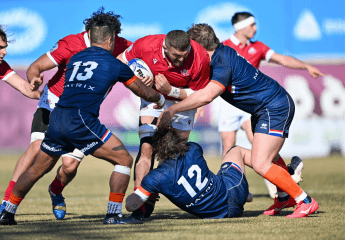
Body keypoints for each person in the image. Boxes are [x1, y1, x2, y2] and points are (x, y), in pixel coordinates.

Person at [0, 18, 165, 226]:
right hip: (80, 119)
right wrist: (159, 98)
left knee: (40, 168)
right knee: (124, 160)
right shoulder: (113, 62)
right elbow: (141, 90)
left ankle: (8, 211)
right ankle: (113, 215)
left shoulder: (76, 58)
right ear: (110, 40)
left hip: (58, 118)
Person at [158, 23, 319, 218]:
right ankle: (285, 196)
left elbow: (207, 95)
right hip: (263, 108)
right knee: (266, 157)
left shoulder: (221, 61)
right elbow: (201, 91)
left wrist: (172, 109)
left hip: (273, 106)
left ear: (199, 47)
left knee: (261, 163)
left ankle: (305, 201)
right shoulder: (219, 56)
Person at [218, 12, 325, 198]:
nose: (255, 28)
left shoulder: (257, 47)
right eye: (252, 25)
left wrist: (305, 66)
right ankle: (234, 188)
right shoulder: (224, 47)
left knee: (260, 146)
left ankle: (277, 187)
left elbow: (282, 59)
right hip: (230, 101)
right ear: (241, 27)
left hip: (250, 103)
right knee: (228, 146)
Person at [117, 30, 210, 219]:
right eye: (176, 56)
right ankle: (141, 202)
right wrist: (137, 80)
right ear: (165, 47)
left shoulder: (200, 57)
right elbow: (120, 60)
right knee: (146, 149)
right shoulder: (146, 45)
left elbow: (203, 95)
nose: (181, 61)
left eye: (184, 56)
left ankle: (154, 192)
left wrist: (171, 91)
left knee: (172, 156)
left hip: (183, 103)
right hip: (154, 99)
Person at [0, 25, 41, 221]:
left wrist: (45, 94)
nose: (4, 51)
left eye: (5, 47)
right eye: (0, 47)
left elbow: (26, 89)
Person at [126, 126, 251, 219]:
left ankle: (247, 193)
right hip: (233, 192)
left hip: (222, 213)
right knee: (236, 150)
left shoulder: (154, 179)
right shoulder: (193, 148)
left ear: (157, 151)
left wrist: (144, 193)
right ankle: (260, 172)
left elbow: (130, 206)